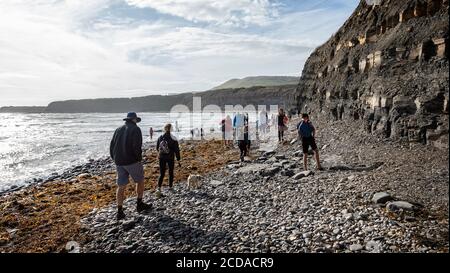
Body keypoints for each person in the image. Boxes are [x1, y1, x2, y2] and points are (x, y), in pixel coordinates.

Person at [110, 112, 152, 220]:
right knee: (140, 180)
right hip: (131, 161)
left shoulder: (118, 129)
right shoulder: (135, 129)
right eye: (136, 120)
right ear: (134, 120)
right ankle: (139, 203)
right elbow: (136, 146)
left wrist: (114, 158)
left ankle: (119, 211)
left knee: (121, 186)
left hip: (119, 161)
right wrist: (139, 159)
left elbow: (112, 145)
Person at [156, 123, 181, 197]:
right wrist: (178, 158)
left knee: (162, 173)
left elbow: (157, 148)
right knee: (170, 172)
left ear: (164, 128)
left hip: (161, 157)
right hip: (170, 157)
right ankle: (170, 187)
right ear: (171, 129)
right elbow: (177, 150)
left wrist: (162, 153)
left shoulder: (160, 137)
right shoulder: (173, 138)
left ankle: (159, 188)